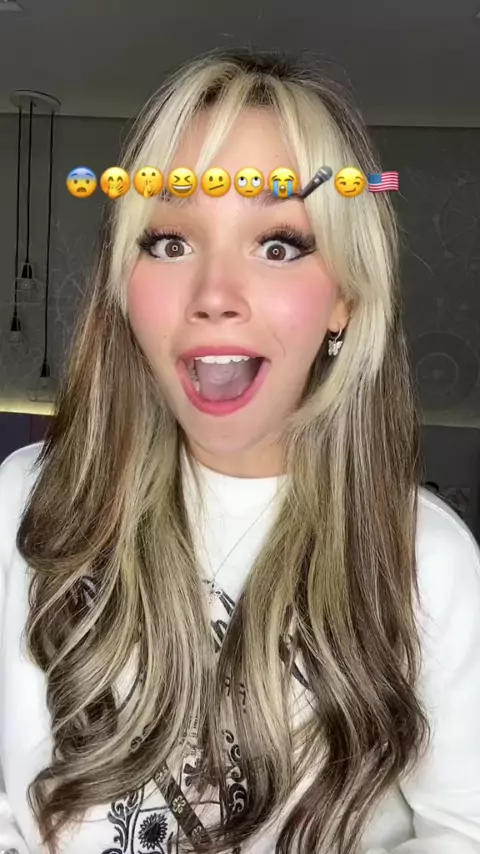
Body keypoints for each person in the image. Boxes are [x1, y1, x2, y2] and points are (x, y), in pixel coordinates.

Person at [1, 48, 479, 854]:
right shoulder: (23, 502)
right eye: (169, 242)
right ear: (124, 285)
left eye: (279, 244)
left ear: (345, 298)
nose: (215, 296)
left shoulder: (427, 560)